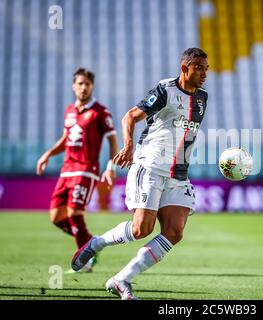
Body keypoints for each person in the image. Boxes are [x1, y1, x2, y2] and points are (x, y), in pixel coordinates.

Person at [71, 48, 209, 300]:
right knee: (140, 230)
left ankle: (121, 279)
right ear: (184, 68)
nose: (204, 74)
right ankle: (97, 243)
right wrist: (128, 145)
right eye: (198, 67)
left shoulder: (202, 98)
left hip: (178, 174)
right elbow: (130, 117)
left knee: (175, 232)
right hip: (151, 166)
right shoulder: (165, 90)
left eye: (206, 69)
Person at [36, 68, 118, 273]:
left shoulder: (100, 111)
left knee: (74, 213)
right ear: (74, 86)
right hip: (66, 170)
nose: (83, 87)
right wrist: (47, 154)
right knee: (56, 217)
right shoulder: (70, 110)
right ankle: (92, 244)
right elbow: (66, 140)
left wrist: (110, 167)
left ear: (92, 86)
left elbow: (112, 139)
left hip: (86, 170)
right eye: (80, 84)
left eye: (87, 84)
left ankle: (85, 262)